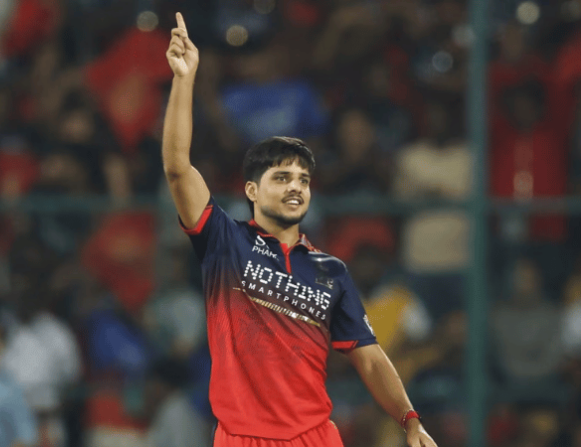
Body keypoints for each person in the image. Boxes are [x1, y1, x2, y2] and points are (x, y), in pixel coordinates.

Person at [162, 13, 438, 447]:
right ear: (252, 190)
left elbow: (370, 359)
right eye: (281, 178)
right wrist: (185, 80)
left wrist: (410, 420)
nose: (295, 187)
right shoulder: (224, 241)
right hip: (243, 438)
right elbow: (178, 168)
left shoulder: (331, 272)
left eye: (303, 180)